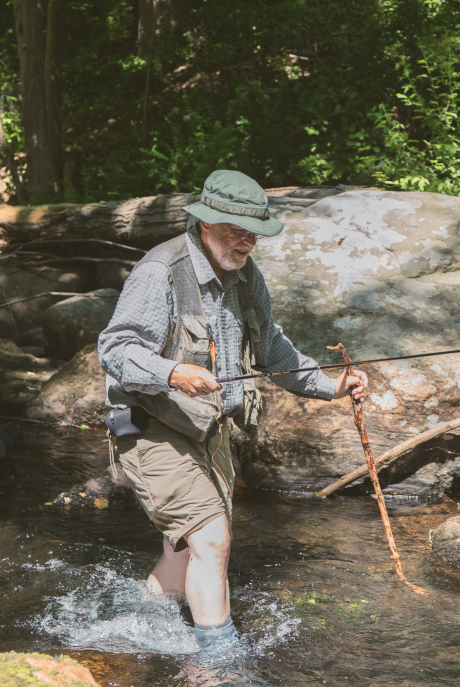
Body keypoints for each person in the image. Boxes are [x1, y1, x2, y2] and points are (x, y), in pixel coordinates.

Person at [98, 170, 368, 651]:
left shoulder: (247, 277)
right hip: (149, 425)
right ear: (204, 224)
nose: (245, 242)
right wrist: (173, 372)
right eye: (235, 230)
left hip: (209, 429)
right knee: (211, 539)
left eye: (253, 233)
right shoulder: (160, 270)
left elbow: (274, 354)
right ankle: (218, 664)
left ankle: (125, 625)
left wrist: (332, 387)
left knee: (185, 551)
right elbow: (115, 349)